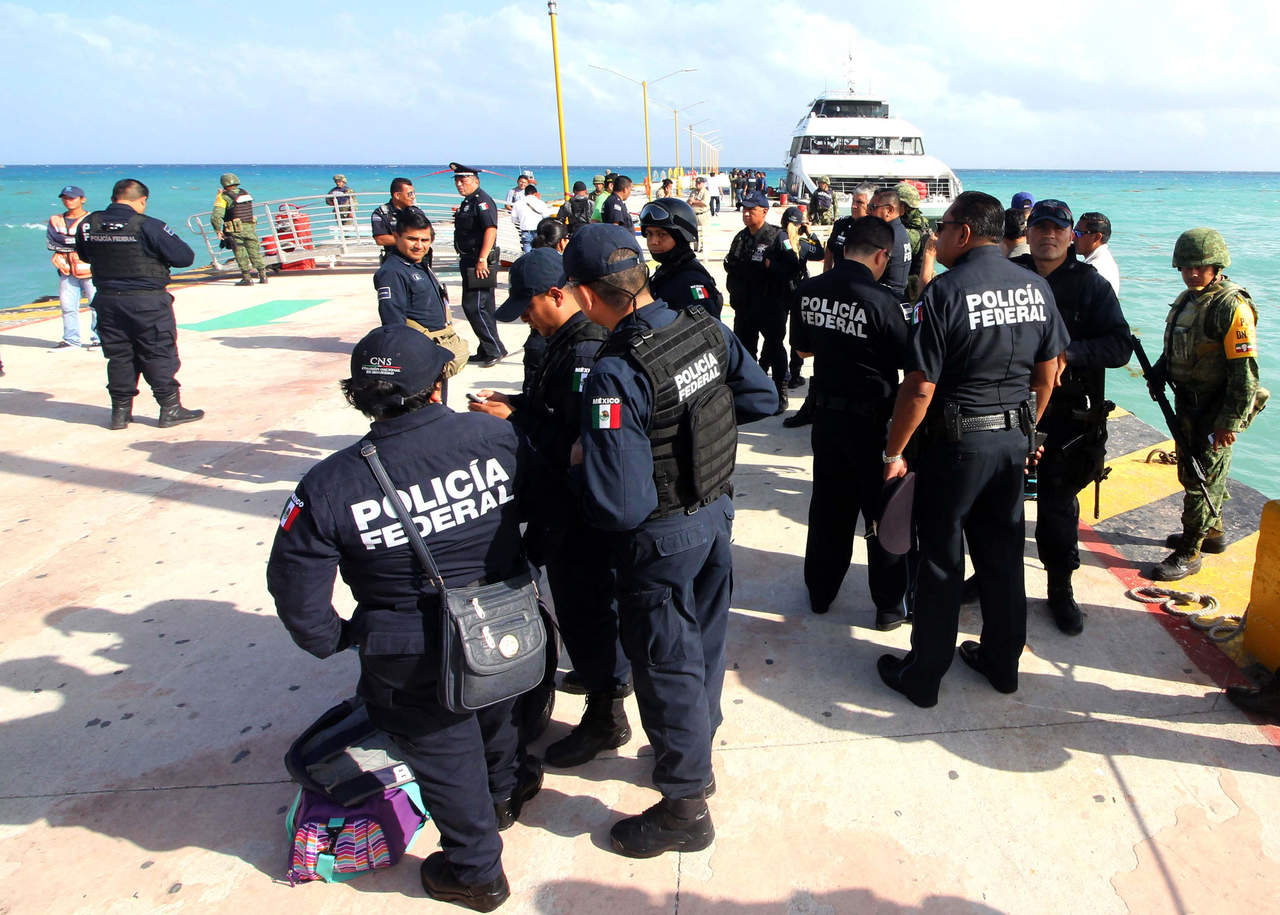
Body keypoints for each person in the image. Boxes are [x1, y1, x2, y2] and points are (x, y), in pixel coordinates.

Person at [267, 327, 540, 912]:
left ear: (359, 397)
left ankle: (475, 872)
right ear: (438, 385)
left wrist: (334, 639)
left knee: (445, 754)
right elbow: (550, 507)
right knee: (496, 714)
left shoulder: (330, 483)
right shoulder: (498, 438)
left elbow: (295, 583)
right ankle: (500, 799)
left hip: (407, 651)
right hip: (504, 622)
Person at [564, 224, 775, 857]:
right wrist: (693, 425)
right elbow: (760, 397)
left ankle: (685, 804)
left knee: (664, 667)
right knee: (704, 644)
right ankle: (696, 736)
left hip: (660, 540)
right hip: (715, 515)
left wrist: (584, 461)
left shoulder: (613, 374)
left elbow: (620, 504)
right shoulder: (701, 326)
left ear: (581, 293)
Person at [877, 191, 1069, 708]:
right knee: (1003, 555)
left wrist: (894, 450)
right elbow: (1050, 371)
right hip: (1012, 442)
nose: (935, 237)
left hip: (955, 444)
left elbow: (919, 386)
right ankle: (1003, 664)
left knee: (941, 560)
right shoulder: (1036, 288)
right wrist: (1029, 430)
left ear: (963, 232)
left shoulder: (942, 293)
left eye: (941, 228)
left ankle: (924, 675)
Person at [470, 248, 631, 770]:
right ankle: (599, 673)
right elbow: (554, 410)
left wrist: (517, 420)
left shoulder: (584, 352)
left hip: (578, 509)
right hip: (560, 503)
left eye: (527, 306)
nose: (522, 318)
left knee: (587, 609)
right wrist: (514, 403)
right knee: (582, 610)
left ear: (557, 296)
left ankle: (607, 715)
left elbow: (582, 439)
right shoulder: (558, 342)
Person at [1012, 199, 1131, 634]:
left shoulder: (1090, 284)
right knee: (996, 504)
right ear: (1028, 233)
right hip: (1006, 409)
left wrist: (1071, 353)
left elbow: (1120, 346)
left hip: (1066, 419)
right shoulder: (1012, 275)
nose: (1048, 235)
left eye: (1057, 228)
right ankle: (988, 574)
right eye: (1040, 227)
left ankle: (1060, 588)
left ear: (1070, 236)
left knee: (1057, 510)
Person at [793, 217, 911, 629]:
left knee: (828, 509)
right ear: (882, 255)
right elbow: (908, 362)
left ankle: (821, 592)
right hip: (873, 423)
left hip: (826, 419)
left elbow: (803, 349)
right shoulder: (884, 302)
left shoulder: (809, 289)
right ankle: (889, 607)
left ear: (845, 249)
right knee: (884, 514)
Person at [1147, 228, 1262, 581]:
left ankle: (1190, 551)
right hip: (1188, 404)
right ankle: (1212, 533)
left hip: (1216, 408)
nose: (1193, 273)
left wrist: (1230, 421)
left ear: (1217, 266)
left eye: (1201, 267)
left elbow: (1245, 373)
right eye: (1186, 267)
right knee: (1196, 471)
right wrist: (1158, 371)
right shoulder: (1187, 300)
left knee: (1201, 477)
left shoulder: (1231, 306)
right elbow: (1177, 347)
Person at [75, 178, 203, 431]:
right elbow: (184, 257)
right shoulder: (149, 226)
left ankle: (120, 414)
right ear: (142, 200)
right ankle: (170, 408)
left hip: (108, 300)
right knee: (157, 351)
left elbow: (84, 255)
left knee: (119, 355)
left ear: (114, 198)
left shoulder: (88, 224)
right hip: (146, 301)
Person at [723, 189, 799, 415]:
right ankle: (750, 391)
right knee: (745, 351)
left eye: (751, 210)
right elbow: (731, 263)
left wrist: (770, 267)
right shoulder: (741, 237)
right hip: (745, 306)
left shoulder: (778, 236)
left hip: (770, 304)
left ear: (764, 212)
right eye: (744, 210)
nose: (746, 214)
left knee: (775, 348)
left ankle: (780, 391)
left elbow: (792, 267)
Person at [451, 162, 506, 367]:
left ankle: (494, 348)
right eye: (456, 180)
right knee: (484, 307)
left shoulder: (482, 201)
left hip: (479, 261)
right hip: (469, 259)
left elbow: (490, 229)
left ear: (475, 180)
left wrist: (482, 259)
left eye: (463, 179)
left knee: (474, 306)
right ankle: (488, 348)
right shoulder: (468, 202)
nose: (459, 184)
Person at [641, 197, 724, 317]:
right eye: (649, 234)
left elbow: (706, 330)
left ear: (681, 237)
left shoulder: (691, 280)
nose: (653, 241)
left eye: (661, 234)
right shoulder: (668, 271)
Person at [372, 208, 448, 331]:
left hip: (439, 341)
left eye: (424, 240)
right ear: (396, 237)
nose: (419, 246)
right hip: (418, 344)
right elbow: (393, 323)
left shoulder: (419, 264)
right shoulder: (392, 272)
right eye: (412, 239)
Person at [780, 206, 825, 391]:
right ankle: (795, 374)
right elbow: (821, 254)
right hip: (799, 291)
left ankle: (781, 372)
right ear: (801, 225)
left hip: (779, 292)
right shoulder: (803, 244)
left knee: (775, 336)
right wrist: (811, 234)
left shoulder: (778, 239)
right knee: (797, 333)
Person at [47, 185, 98, 349]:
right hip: (66, 269)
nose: (68, 201)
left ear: (82, 199)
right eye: (65, 198)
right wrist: (75, 242)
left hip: (90, 269)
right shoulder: (55, 219)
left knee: (97, 305)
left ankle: (99, 337)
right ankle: (71, 339)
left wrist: (67, 242)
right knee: (67, 306)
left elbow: (91, 243)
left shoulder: (92, 219)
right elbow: (53, 242)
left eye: (72, 198)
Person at [210, 173, 267, 286]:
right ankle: (263, 275)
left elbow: (216, 216)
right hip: (250, 227)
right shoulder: (245, 193)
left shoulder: (223, 197)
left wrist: (217, 230)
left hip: (235, 229)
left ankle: (247, 278)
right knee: (254, 251)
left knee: (240, 251)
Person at [870, 188, 911, 302]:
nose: (869, 212)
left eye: (873, 207)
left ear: (889, 210)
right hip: (897, 298)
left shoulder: (887, 236)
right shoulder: (900, 230)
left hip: (885, 300)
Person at [371, 177, 417, 264]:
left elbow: (429, 234)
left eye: (414, 193)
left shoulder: (416, 212)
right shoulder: (381, 213)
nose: (413, 197)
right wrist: (411, 239)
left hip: (417, 260)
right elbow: (380, 239)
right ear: (397, 195)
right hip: (394, 260)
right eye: (410, 194)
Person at [1074, 211, 1120, 295]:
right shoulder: (1106, 260)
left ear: (1097, 237)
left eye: (1078, 234)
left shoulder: (1094, 269)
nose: (1073, 238)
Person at [512, 184, 552, 254]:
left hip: (525, 230)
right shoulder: (541, 203)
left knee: (527, 247)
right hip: (538, 229)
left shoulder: (517, 203)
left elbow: (514, 220)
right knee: (540, 248)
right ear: (535, 193)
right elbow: (546, 217)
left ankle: (529, 263)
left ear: (525, 193)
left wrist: (522, 220)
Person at [687, 177, 711, 252]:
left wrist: (694, 201)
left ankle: (703, 247)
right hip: (694, 214)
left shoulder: (705, 192)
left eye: (699, 183)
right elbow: (689, 200)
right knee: (693, 231)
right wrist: (689, 202)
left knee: (703, 232)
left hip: (703, 214)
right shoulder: (693, 192)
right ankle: (696, 247)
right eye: (696, 183)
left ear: (703, 184)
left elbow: (704, 203)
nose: (697, 184)